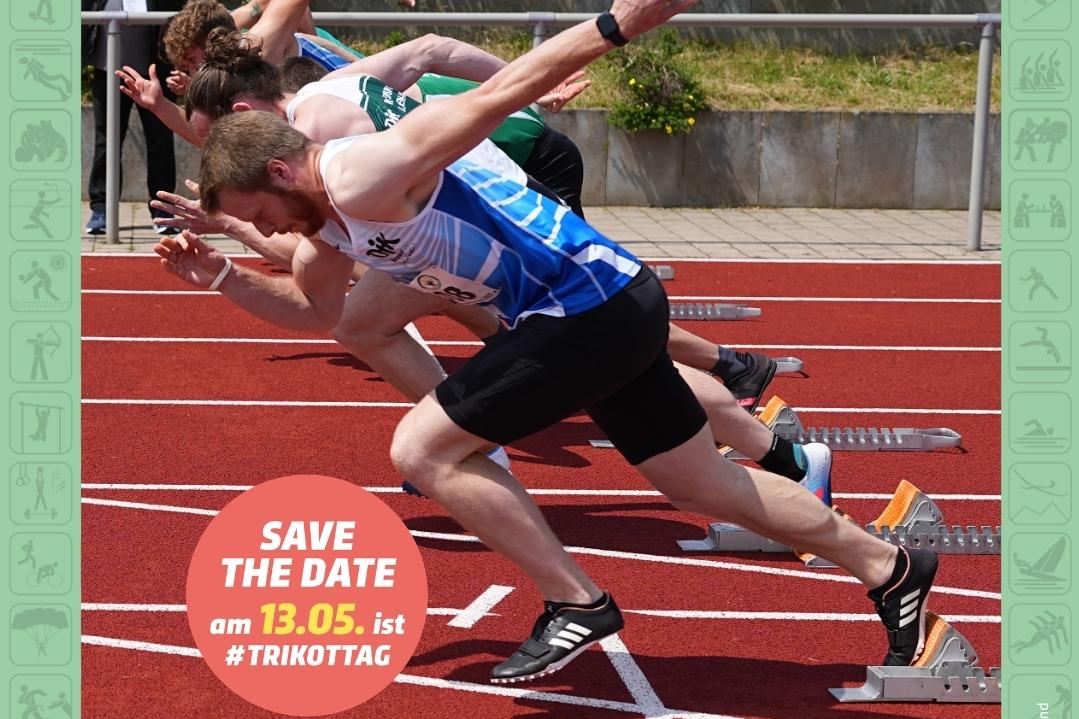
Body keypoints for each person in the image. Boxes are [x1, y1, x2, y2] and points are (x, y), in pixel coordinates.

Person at [157, 0, 938, 683]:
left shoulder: (364, 171)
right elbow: (316, 310)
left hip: (584, 302)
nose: (266, 232)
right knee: (703, 484)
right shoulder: (324, 227)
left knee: (423, 449)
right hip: (601, 305)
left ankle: (576, 601)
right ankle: (890, 566)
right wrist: (221, 275)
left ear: (282, 171)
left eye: (258, 217)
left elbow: (499, 92)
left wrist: (620, 23)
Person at [163, 32, 779, 410]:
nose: (219, 158)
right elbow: (431, 49)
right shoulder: (333, 90)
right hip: (471, 212)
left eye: (215, 141)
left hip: (501, 207)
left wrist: (596, 39)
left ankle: (735, 390)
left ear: (242, 116)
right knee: (566, 334)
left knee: (594, 331)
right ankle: (467, 427)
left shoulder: (317, 149)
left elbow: (321, 254)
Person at [83, 0, 183, 236]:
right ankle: (102, 209)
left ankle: (162, 210)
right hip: (107, 73)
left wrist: (180, 66)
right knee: (106, 140)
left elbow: (179, 20)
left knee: (160, 138)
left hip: (154, 72)